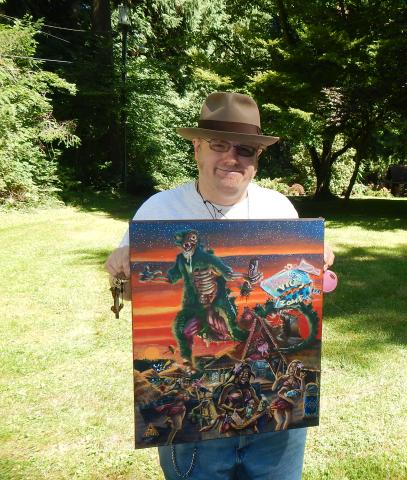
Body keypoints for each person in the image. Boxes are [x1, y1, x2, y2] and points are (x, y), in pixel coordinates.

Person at [105, 91, 334, 480]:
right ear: (197, 147)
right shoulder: (158, 210)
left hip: (274, 431)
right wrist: (119, 269)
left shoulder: (279, 208)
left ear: (257, 158)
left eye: (245, 149)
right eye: (219, 145)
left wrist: (314, 262)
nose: (232, 157)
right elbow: (133, 289)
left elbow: (292, 293)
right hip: (196, 432)